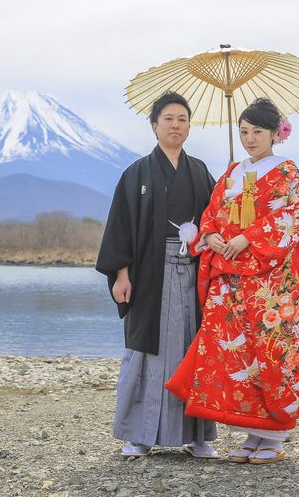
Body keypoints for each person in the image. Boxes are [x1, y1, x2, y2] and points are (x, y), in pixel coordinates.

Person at [166, 97, 299, 464]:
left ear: (276, 134)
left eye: (258, 132)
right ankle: (254, 432)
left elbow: (292, 218)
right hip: (231, 275)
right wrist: (211, 236)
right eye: (244, 131)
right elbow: (212, 212)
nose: (250, 139)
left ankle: (275, 436)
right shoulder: (233, 172)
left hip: (270, 282)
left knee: (272, 350)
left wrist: (247, 238)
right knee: (239, 352)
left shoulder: (286, 170)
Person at [96, 91, 218, 457]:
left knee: (192, 349)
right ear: (154, 126)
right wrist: (121, 274)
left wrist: (230, 194)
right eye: (168, 119)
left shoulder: (200, 172)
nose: (175, 126)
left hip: (192, 270)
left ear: (189, 127)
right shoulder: (137, 173)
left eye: (182, 119)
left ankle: (197, 437)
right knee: (146, 350)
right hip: (149, 273)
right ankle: (140, 435)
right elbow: (120, 226)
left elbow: (216, 219)